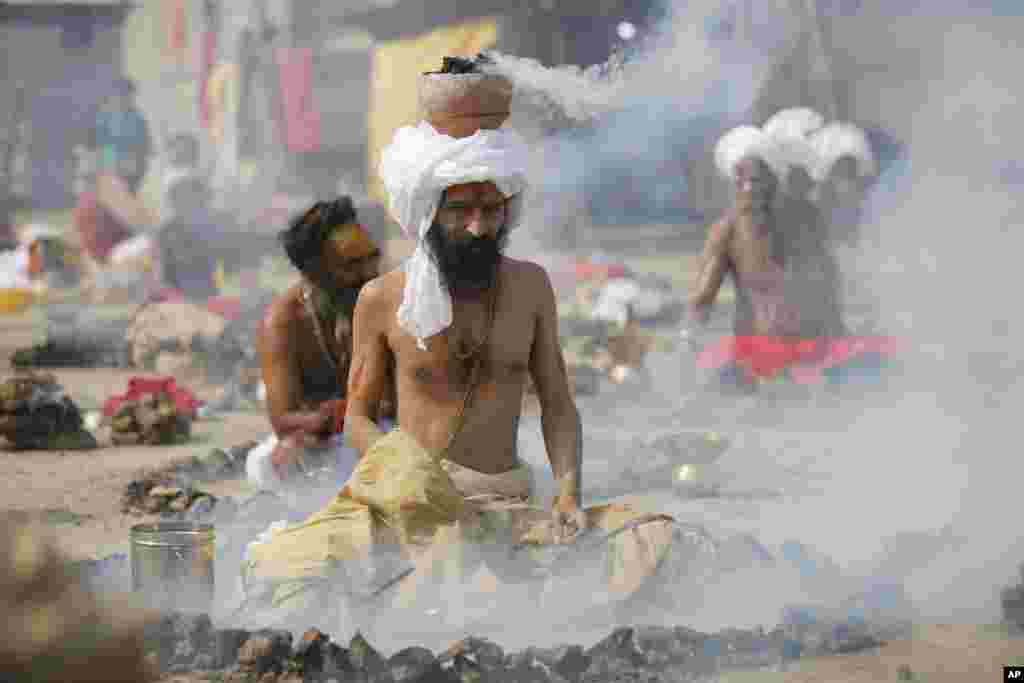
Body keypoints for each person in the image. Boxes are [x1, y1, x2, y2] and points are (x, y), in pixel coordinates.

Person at [240, 57, 688, 631]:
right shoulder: (383, 297)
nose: (479, 226)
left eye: (491, 209)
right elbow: (358, 415)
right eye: (460, 210)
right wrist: (399, 472)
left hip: (504, 503)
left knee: (657, 542)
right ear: (427, 213)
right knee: (289, 574)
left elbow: (557, 403)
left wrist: (570, 493)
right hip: (409, 505)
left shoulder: (530, 288)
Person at [688, 125, 899, 392]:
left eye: (757, 180)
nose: (750, 188)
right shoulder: (726, 231)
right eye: (743, 181)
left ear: (771, 182)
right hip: (758, 349)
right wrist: (692, 332)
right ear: (734, 184)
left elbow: (823, 284)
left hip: (814, 345)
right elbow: (703, 295)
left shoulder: (802, 220)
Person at [246, 197, 390, 494]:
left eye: (371, 258)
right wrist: (329, 416)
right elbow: (283, 419)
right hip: (327, 442)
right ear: (313, 272)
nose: (369, 273)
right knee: (270, 462)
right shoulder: (284, 322)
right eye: (351, 265)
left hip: (383, 432)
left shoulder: (385, 299)